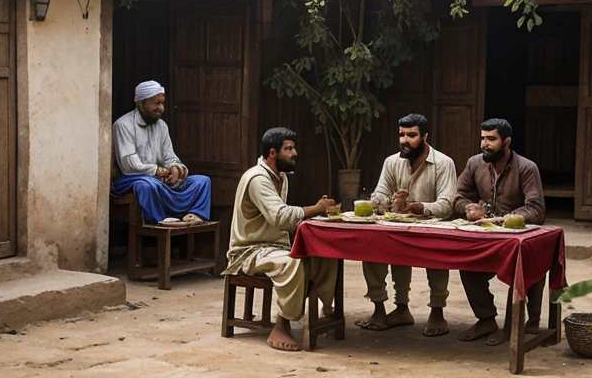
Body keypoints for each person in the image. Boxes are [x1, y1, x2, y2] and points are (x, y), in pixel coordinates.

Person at [224, 127, 339, 352]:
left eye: (294, 148)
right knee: (293, 261)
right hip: (249, 250)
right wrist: (315, 208)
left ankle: (326, 305)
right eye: (289, 149)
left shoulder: (281, 176)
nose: (295, 153)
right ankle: (282, 324)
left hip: (274, 246)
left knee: (325, 251)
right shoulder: (257, 178)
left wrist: (317, 214)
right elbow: (279, 217)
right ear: (273, 153)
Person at [356, 113, 458, 338]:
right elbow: (378, 195)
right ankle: (388, 309)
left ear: (425, 136)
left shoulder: (443, 163)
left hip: (432, 228)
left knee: (439, 250)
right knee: (372, 245)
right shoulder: (392, 162)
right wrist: (391, 201)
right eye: (401, 135)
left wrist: (418, 207)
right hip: (398, 226)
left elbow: (447, 205)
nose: (404, 140)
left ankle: (437, 312)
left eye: (411, 135)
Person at [453, 117, 546, 346]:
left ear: (507, 142)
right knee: (468, 267)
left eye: (491, 139)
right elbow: (458, 196)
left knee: (520, 270)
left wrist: (510, 218)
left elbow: (536, 208)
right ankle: (486, 319)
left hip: (517, 238)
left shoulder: (526, 167)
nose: (484, 144)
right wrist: (468, 208)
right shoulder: (474, 163)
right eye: (482, 139)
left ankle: (513, 327)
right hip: (486, 235)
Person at [111, 80, 212, 225]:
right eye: (156, 103)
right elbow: (128, 165)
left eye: (162, 103)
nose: (161, 108)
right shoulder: (123, 125)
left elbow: (169, 156)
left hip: (159, 180)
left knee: (203, 181)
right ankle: (160, 219)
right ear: (141, 102)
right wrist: (156, 171)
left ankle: (195, 213)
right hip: (130, 179)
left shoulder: (161, 126)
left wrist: (176, 168)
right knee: (146, 185)